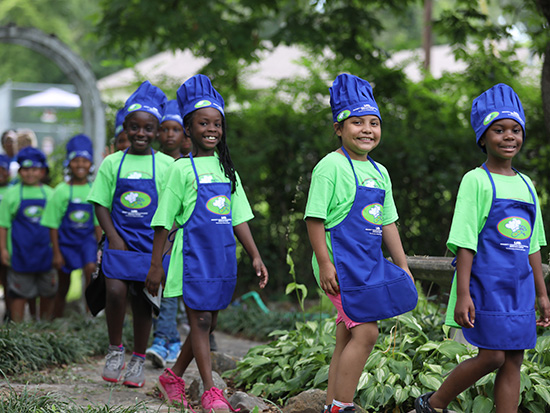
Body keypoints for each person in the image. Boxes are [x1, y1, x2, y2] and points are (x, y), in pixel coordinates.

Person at [414, 84, 550, 413]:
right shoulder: (475, 180)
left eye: (516, 130)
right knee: (492, 355)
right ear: (483, 136)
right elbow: (464, 242)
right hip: (486, 286)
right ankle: (433, 403)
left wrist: (542, 294)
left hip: (519, 288)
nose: (509, 137)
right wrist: (463, 294)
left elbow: (532, 246)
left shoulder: (526, 185)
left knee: (513, 360)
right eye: (499, 129)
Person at [144, 74, 269, 409]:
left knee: (209, 320)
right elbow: (162, 220)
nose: (212, 129)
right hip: (191, 255)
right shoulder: (181, 170)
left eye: (217, 123)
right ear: (188, 129)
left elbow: (238, 217)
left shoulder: (228, 170)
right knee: (199, 320)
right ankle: (211, 390)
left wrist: (255, 255)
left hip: (222, 256)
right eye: (203, 123)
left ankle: (172, 377)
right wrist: (156, 266)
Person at [304, 74, 417, 413]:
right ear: (339, 128)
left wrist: (403, 266)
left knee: (347, 335)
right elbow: (314, 219)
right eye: (357, 122)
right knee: (366, 332)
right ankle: (343, 405)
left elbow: (388, 223)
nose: (367, 129)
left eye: (374, 123)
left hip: (367, 263)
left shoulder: (380, 173)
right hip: (339, 264)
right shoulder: (330, 166)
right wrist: (325, 263)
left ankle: (330, 406)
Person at [87, 80, 173, 388]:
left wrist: (161, 255)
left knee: (143, 303)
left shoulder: (166, 166)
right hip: (118, 244)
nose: (140, 134)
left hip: (151, 248)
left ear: (157, 131)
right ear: (125, 127)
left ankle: (138, 359)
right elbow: (99, 203)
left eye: (148, 129)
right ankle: (114, 350)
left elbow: (172, 211)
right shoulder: (112, 162)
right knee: (115, 292)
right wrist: (113, 237)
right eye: (134, 127)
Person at [41, 134, 101, 318]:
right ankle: (55, 320)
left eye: (85, 160)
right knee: (63, 285)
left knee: (91, 271)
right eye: (76, 160)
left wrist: (101, 249)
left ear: (91, 164)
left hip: (87, 242)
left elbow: (98, 223)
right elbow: (53, 225)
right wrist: (57, 252)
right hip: (65, 243)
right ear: (69, 163)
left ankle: (88, 317)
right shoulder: (61, 191)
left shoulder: (95, 189)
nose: (80, 165)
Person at [146, 99, 185, 369]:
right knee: (154, 292)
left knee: (168, 291)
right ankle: (172, 341)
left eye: (176, 129)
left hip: (175, 238)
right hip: (145, 237)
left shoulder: (187, 165)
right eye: (165, 129)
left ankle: (162, 339)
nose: (170, 135)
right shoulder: (153, 163)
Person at [0, 147, 55, 322]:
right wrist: (3, 249)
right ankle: (19, 333)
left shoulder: (50, 194)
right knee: (18, 293)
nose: (30, 174)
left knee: (48, 291)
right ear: (20, 171)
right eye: (25, 169)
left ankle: (45, 329)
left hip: (46, 253)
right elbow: (3, 225)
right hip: (20, 254)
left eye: (34, 169)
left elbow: (56, 226)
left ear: (42, 171)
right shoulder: (11, 194)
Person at [0, 154, 12, 320]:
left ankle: (10, 315)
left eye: (3, 169)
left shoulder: (13, 191)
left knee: (8, 280)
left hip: (7, 244)